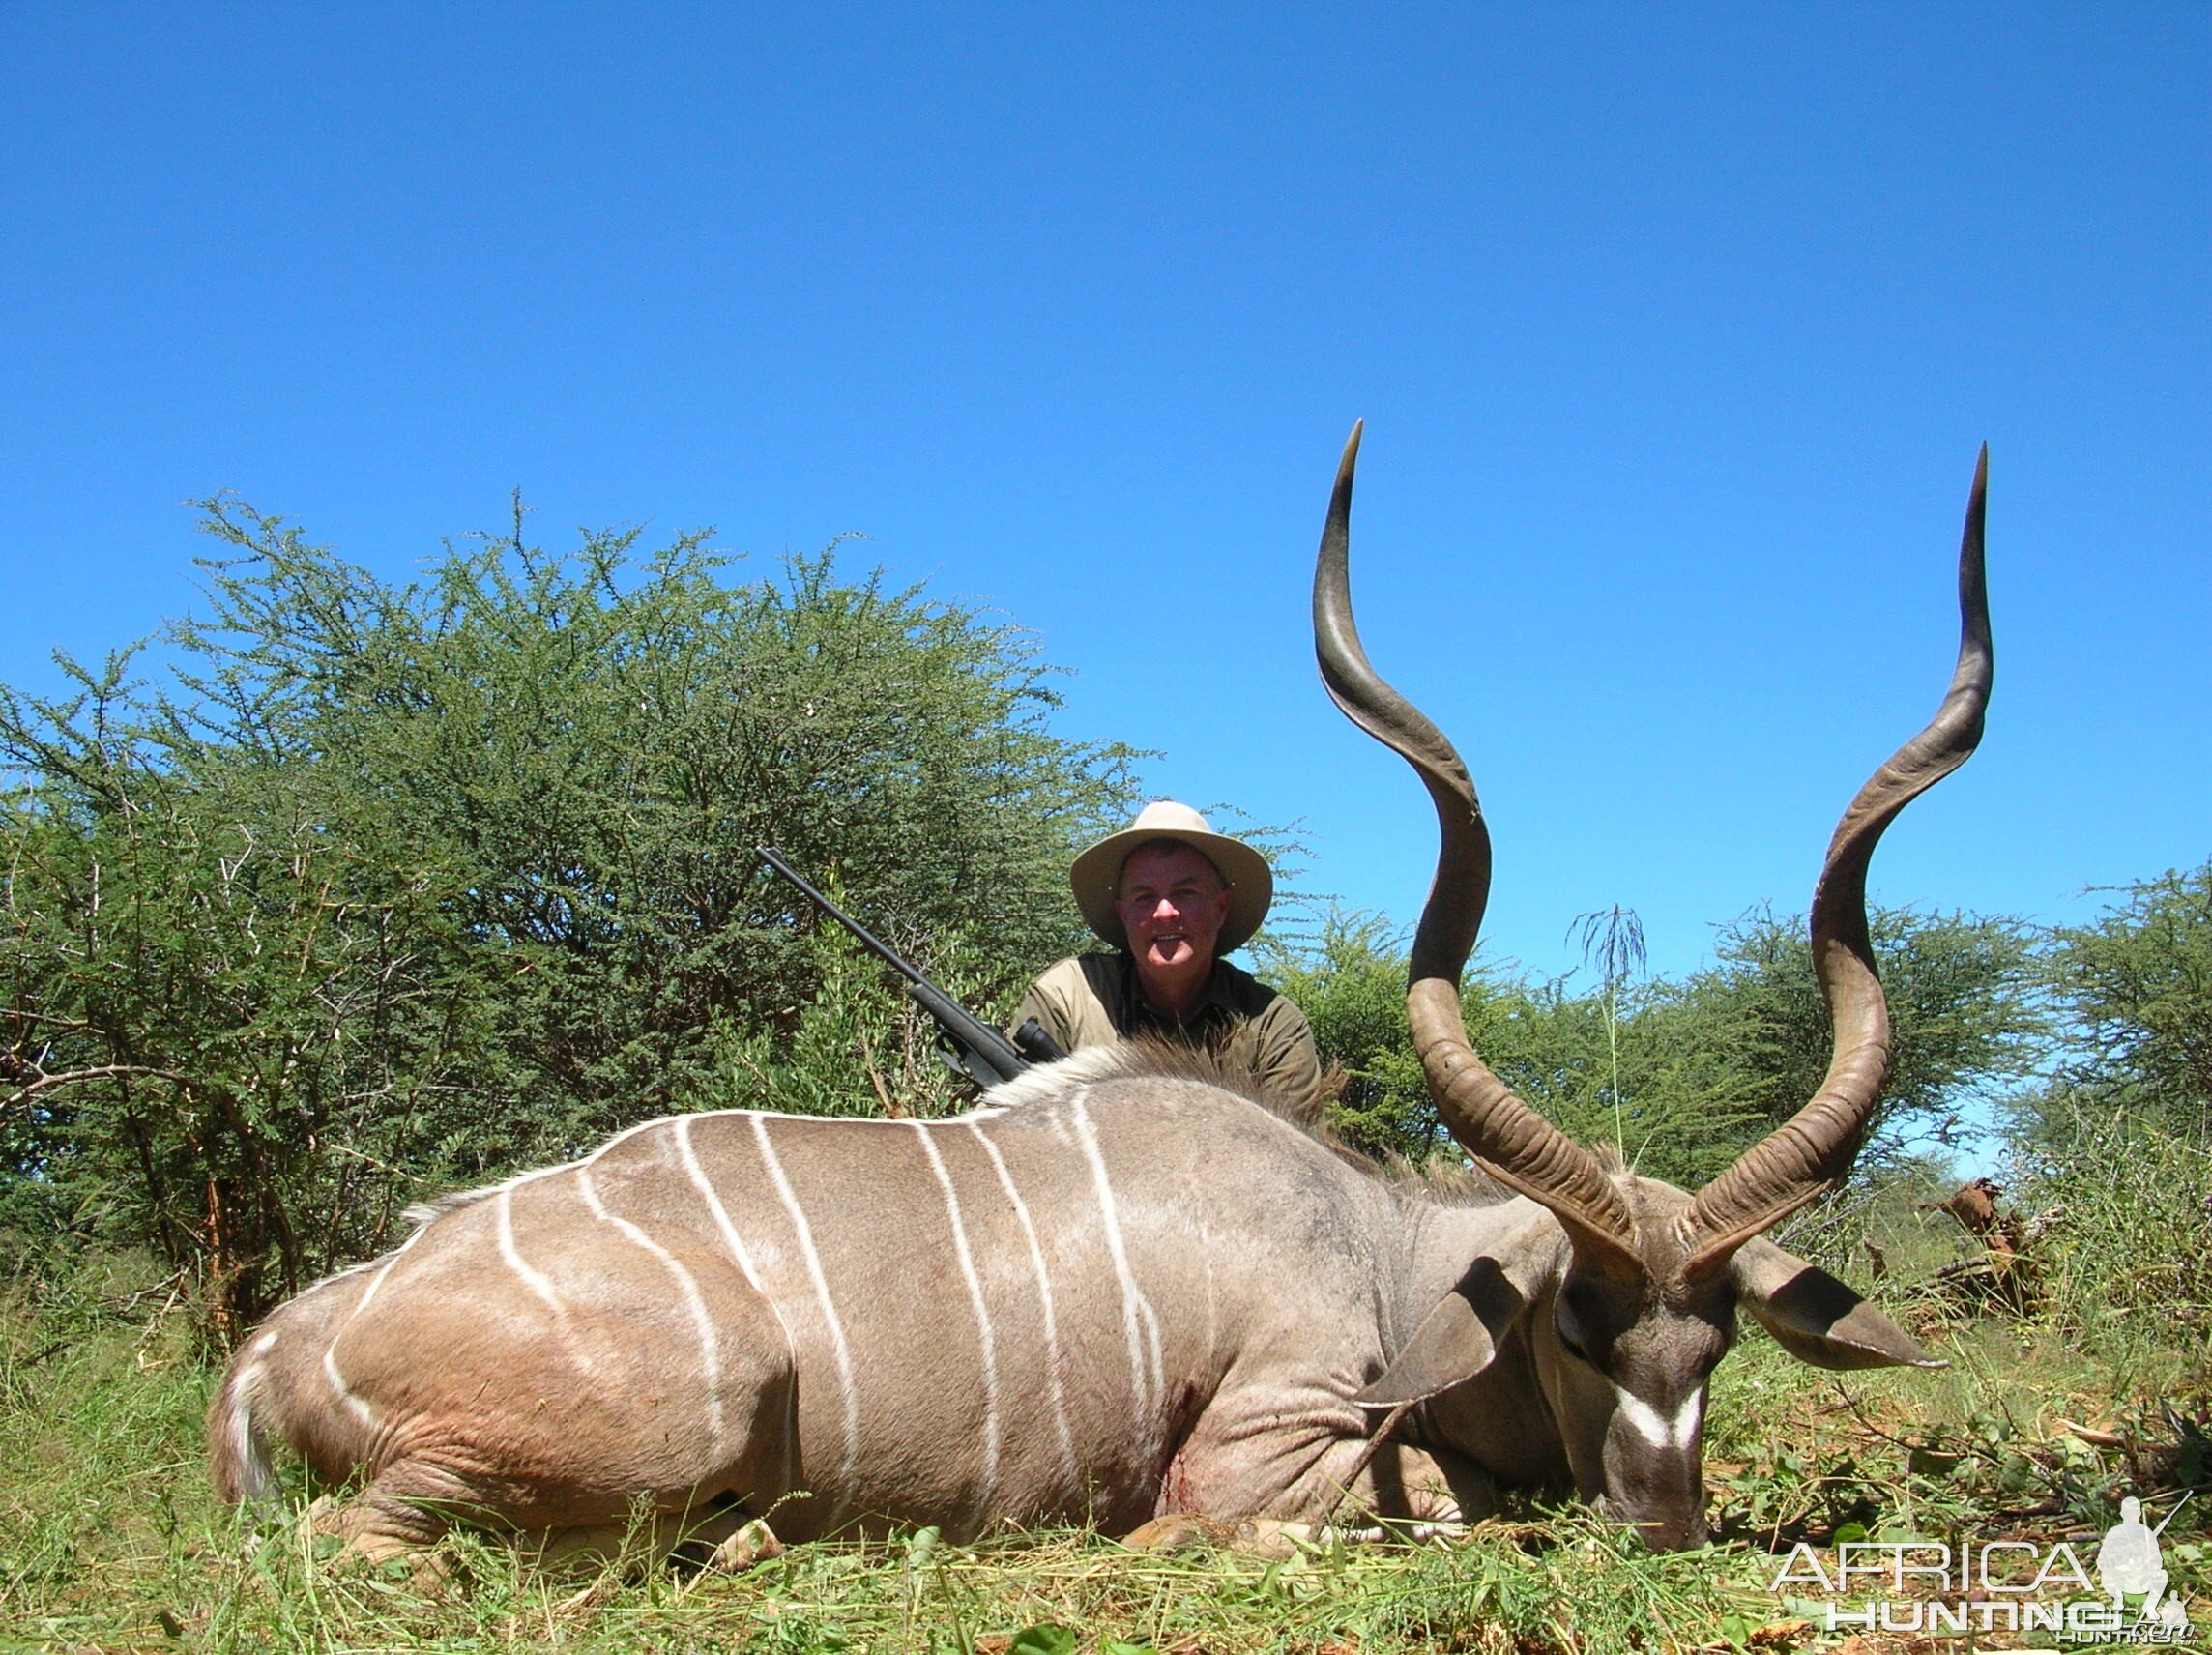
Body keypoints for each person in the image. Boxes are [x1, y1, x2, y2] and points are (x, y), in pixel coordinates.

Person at [1014, 801, 1325, 1124]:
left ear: (1221, 907)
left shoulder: (1273, 1028)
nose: (1164, 912)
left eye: (1185, 893)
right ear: (1123, 914)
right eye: (1144, 898)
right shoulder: (1068, 996)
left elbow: (1291, 1163)